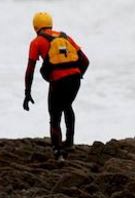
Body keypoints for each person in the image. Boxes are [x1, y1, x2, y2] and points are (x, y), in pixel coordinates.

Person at [23, 12, 90, 161]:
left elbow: (30, 70)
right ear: (50, 24)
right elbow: (85, 61)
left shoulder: (36, 42)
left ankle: (58, 153)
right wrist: (78, 75)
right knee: (67, 105)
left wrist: (27, 92)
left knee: (54, 116)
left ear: (35, 27)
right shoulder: (65, 37)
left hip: (58, 82)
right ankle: (70, 142)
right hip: (74, 80)